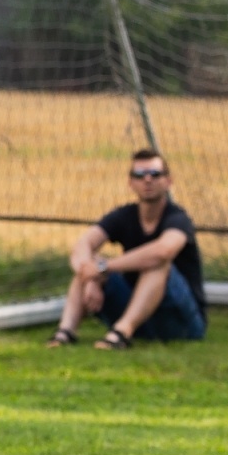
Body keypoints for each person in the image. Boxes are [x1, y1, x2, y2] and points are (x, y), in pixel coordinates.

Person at [46, 149, 208, 350]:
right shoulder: (124, 215)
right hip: (141, 316)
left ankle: (122, 332)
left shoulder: (178, 219)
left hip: (181, 323)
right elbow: (82, 245)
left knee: (157, 263)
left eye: (155, 174)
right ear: (131, 183)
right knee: (89, 260)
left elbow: (163, 251)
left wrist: (104, 267)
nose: (147, 180)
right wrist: (91, 276)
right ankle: (65, 332)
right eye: (139, 175)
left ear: (168, 181)